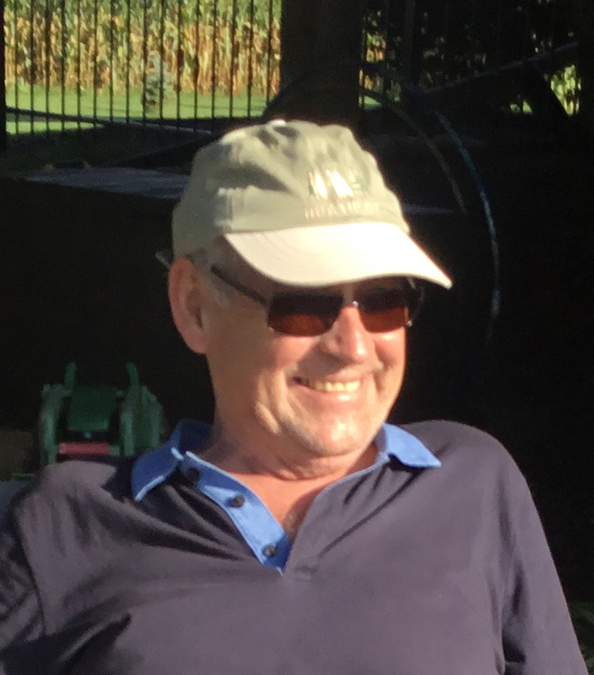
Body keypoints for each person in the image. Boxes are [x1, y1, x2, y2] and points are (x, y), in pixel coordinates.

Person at [0, 120, 586, 674]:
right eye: (304, 303)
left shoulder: (473, 486)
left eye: (385, 300)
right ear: (194, 306)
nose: (354, 346)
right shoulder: (66, 528)